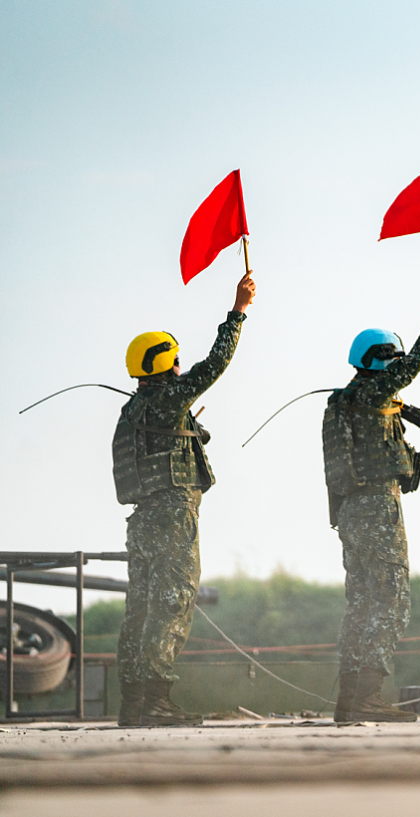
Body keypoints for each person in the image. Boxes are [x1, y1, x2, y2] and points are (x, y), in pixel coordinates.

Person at [113, 271, 256, 727]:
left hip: (142, 521)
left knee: (140, 609)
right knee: (172, 602)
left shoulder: (133, 409)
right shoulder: (168, 398)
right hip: (173, 515)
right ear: (164, 363)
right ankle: (156, 701)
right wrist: (238, 310)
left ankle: (134, 703)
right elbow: (215, 364)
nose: (180, 368)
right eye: (175, 361)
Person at [323, 271, 420, 723]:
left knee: (361, 603)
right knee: (390, 600)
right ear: (382, 360)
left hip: (349, 511)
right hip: (378, 508)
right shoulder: (377, 389)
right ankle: (367, 697)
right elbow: (419, 357)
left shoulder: (345, 400)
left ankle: (350, 699)